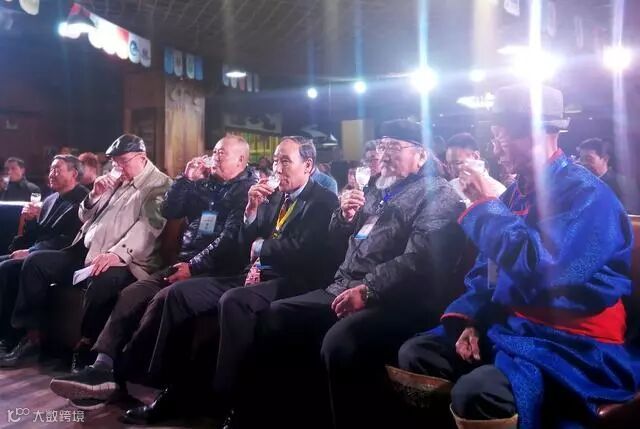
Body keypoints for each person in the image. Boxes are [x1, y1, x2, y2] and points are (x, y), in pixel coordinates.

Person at [397, 85, 640, 429]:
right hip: (514, 325)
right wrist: (472, 320)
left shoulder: (587, 194)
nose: (495, 149)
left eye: (501, 137)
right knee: (417, 354)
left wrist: (484, 206)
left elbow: (545, 269)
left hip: (569, 341)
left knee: (476, 392)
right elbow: (487, 269)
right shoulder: (514, 194)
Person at [51, 136, 339, 421]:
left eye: (285, 161)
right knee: (141, 294)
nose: (277, 167)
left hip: (244, 272)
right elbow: (173, 210)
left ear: (308, 165)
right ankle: (119, 373)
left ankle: (131, 376)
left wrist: (251, 250)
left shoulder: (318, 198)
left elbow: (275, 247)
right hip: (223, 267)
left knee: (180, 297)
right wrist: (194, 184)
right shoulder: (260, 193)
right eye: (275, 160)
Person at [253, 120, 466, 429]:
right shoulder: (379, 187)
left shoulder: (437, 195)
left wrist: (368, 289)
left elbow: (421, 259)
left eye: (394, 147)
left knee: (340, 342)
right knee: (278, 315)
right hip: (346, 285)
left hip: (397, 299)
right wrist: (344, 218)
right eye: (382, 146)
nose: (384, 154)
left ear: (421, 156)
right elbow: (344, 242)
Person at [1, 134, 171, 368]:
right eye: (115, 163)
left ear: (142, 157)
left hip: (126, 259)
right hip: (85, 250)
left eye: (123, 161)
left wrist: (117, 254)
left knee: (103, 278)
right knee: (36, 262)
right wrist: (94, 195)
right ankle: (31, 338)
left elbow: (149, 227)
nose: (118, 168)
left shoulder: (158, 184)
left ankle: (86, 347)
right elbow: (83, 215)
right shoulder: (117, 179)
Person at [0, 155, 88, 353]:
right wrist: (30, 220)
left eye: (57, 170)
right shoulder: (50, 199)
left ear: (74, 174)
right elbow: (39, 235)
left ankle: (21, 337)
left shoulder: (83, 199)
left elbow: (68, 240)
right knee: (4, 264)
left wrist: (30, 251)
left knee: (15, 265)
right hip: (42, 251)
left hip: (68, 255)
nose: (51, 174)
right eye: (51, 169)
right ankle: (6, 335)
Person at [578, 137, 640, 213]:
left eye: (588, 159)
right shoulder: (580, 184)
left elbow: (631, 215)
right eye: (581, 159)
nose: (583, 163)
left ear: (605, 159)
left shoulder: (624, 184)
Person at [445, 133, 505, 207]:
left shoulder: (499, 190)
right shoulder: (450, 187)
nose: (451, 169)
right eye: (449, 164)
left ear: (476, 156)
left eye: (457, 163)